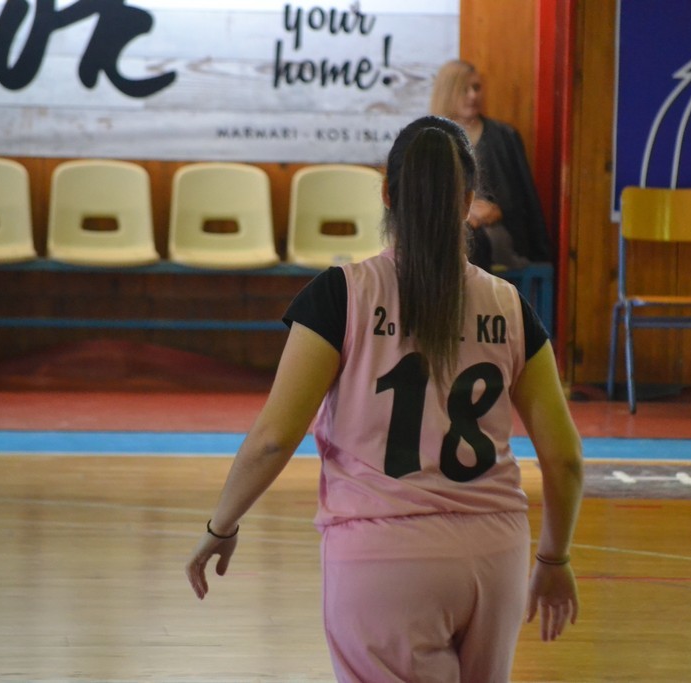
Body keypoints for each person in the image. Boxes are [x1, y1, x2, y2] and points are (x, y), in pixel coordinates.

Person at [186, 115, 583, 682]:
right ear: (467, 201)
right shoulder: (511, 306)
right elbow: (565, 459)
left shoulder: (341, 295)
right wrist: (554, 557)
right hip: (496, 557)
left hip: (382, 555)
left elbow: (274, 438)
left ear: (387, 194)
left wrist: (220, 527)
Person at [430, 59, 553, 271]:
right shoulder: (430, 141)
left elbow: (524, 202)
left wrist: (497, 211)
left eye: (476, 88)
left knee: (477, 241)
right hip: (448, 234)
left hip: (498, 236)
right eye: (464, 89)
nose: (473, 95)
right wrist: (462, 212)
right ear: (447, 92)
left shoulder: (505, 137)